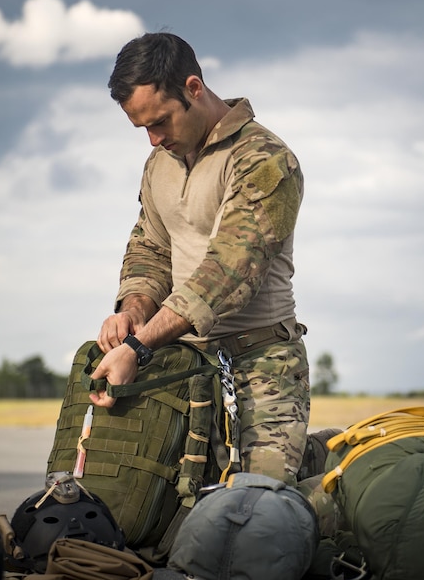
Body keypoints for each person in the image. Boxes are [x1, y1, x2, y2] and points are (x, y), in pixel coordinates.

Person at [90, 32, 309, 486]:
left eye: (161, 122)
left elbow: (230, 271)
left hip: (261, 368)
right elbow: (150, 249)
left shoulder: (265, 160)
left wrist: (139, 345)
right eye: (142, 128)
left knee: (261, 511)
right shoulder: (160, 164)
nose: (153, 139)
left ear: (193, 88)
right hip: (183, 369)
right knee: (167, 517)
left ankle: (320, 468)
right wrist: (132, 312)